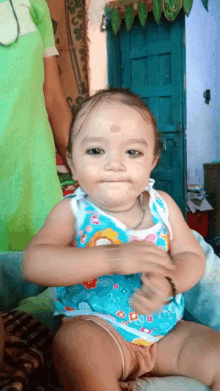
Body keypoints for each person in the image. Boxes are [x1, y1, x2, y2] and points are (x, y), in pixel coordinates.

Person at [23, 88, 220, 391]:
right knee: (73, 347)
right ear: (72, 162)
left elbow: (191, 257)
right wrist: (112, 258)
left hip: (165, 332)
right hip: (99, 331)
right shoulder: (73, 211)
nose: (114, 164)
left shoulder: (163, 206)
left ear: (153, 161)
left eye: (132, 152)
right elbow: (34, 263)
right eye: (96, 151)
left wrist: (170, 283)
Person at [0, 0, 71, 251]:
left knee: (43, 276)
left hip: (34, 178)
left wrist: (84, 167)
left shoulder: (36, 5)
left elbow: (53, 98)